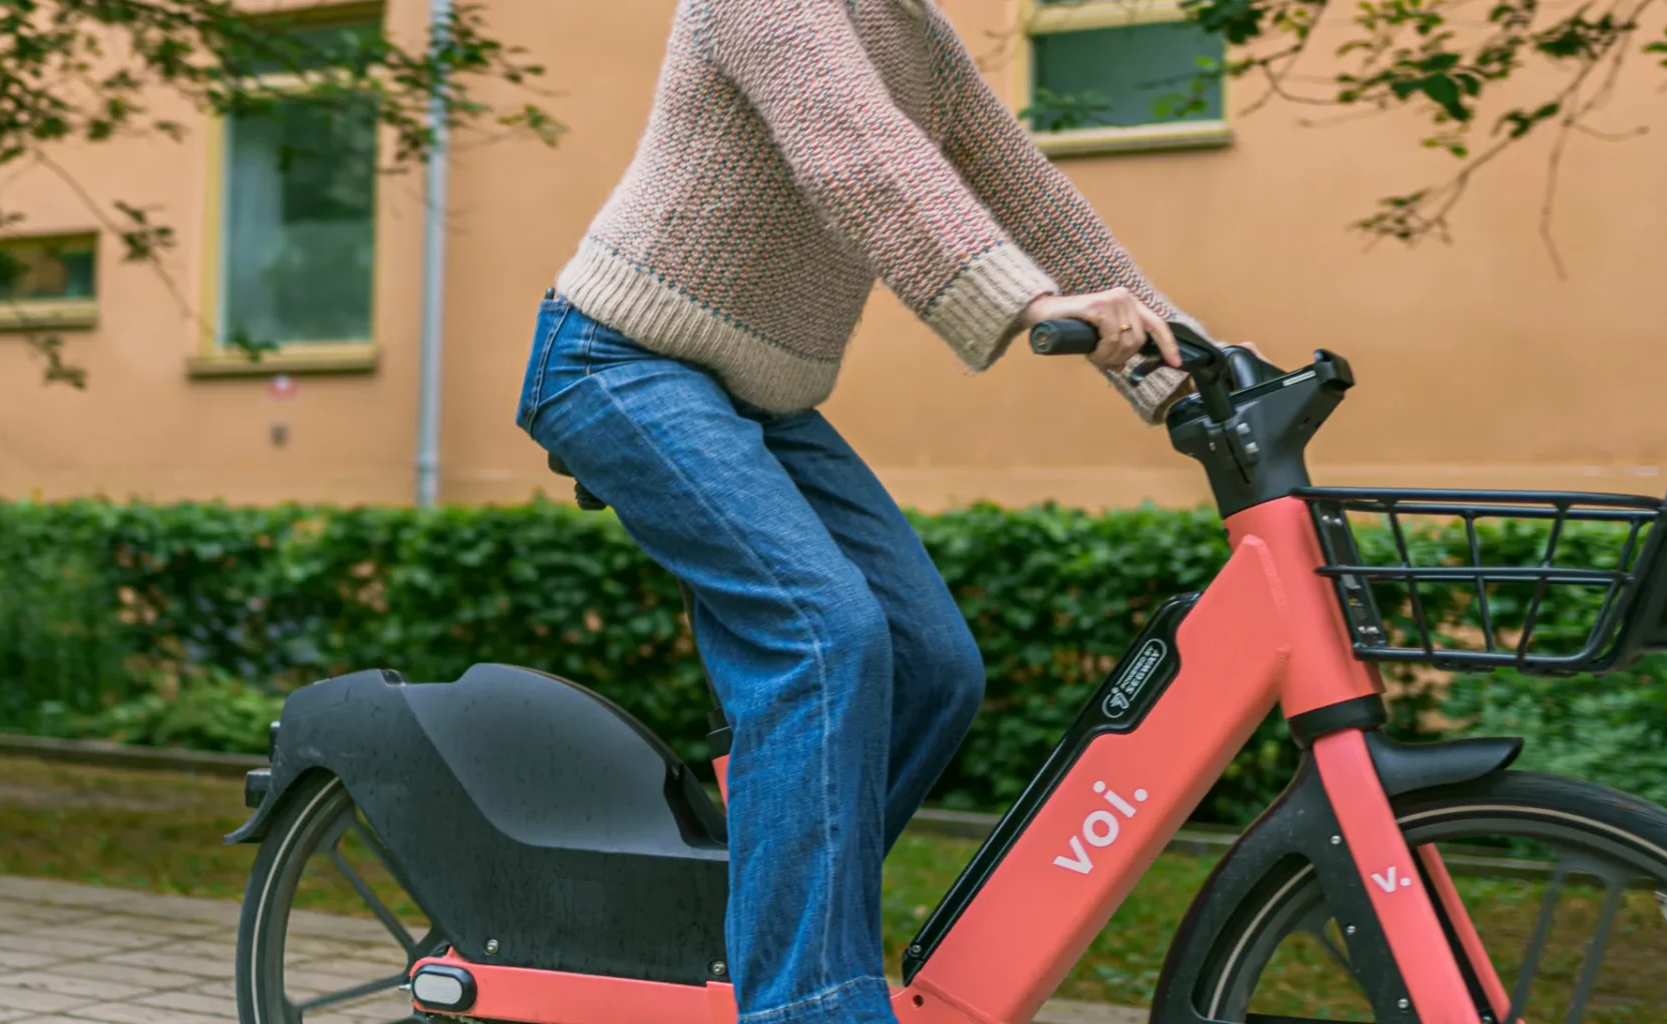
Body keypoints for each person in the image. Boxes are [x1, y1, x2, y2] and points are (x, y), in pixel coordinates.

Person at [514, 2, 1218, 1023]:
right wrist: (1022, 305)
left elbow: (1028, 196)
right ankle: (809, 1000)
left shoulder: (914, 33)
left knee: (933, 665)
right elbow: (852, 145)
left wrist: (1193, 368)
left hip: (753, 389)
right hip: (618, 361)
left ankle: (763, 931)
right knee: (823, 637)